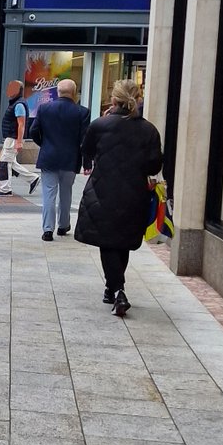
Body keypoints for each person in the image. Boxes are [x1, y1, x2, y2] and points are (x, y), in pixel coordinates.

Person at [74, 79, 163, 317]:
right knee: (121, 241)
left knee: (109, 241)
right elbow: (154, 165)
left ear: (113, 99)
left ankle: (117, 289)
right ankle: (112, 287)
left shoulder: (100, 125)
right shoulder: (149, 130)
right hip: (134, 193)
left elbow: (87, 151)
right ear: (138, 99)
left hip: (103, 190)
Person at [30, 78, 90, 241]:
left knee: (49, 193)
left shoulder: (44, 108)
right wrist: (87, 163)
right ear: (74, 93)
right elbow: (85, 139)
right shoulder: (82, 112)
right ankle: (63, 225)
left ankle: (47, 230)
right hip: (71, 158)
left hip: (49, 157)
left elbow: (33, 131)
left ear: (58, 92)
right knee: (66, 192)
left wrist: (44, 144)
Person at [0, 80, 39, 195]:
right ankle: (33, 178)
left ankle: (5, 189)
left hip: (13, 138)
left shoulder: (19, 105)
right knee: (11, 163)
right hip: (11, 138)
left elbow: (21, 124)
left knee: (4, 163)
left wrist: (19, 141)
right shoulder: (16, 103)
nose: (8, 90)